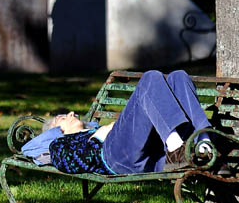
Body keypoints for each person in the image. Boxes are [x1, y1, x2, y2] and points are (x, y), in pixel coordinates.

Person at [21, 70, 213, 174]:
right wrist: (97, 138)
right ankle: (177, 150)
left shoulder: (93, 129)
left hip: (152, 157)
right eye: (62, 117)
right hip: (115, 159)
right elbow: (71, 164)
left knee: (178, 77)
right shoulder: (60, 144)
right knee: (150, 78)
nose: (71, 113)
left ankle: (205, 146)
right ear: (58, 131)